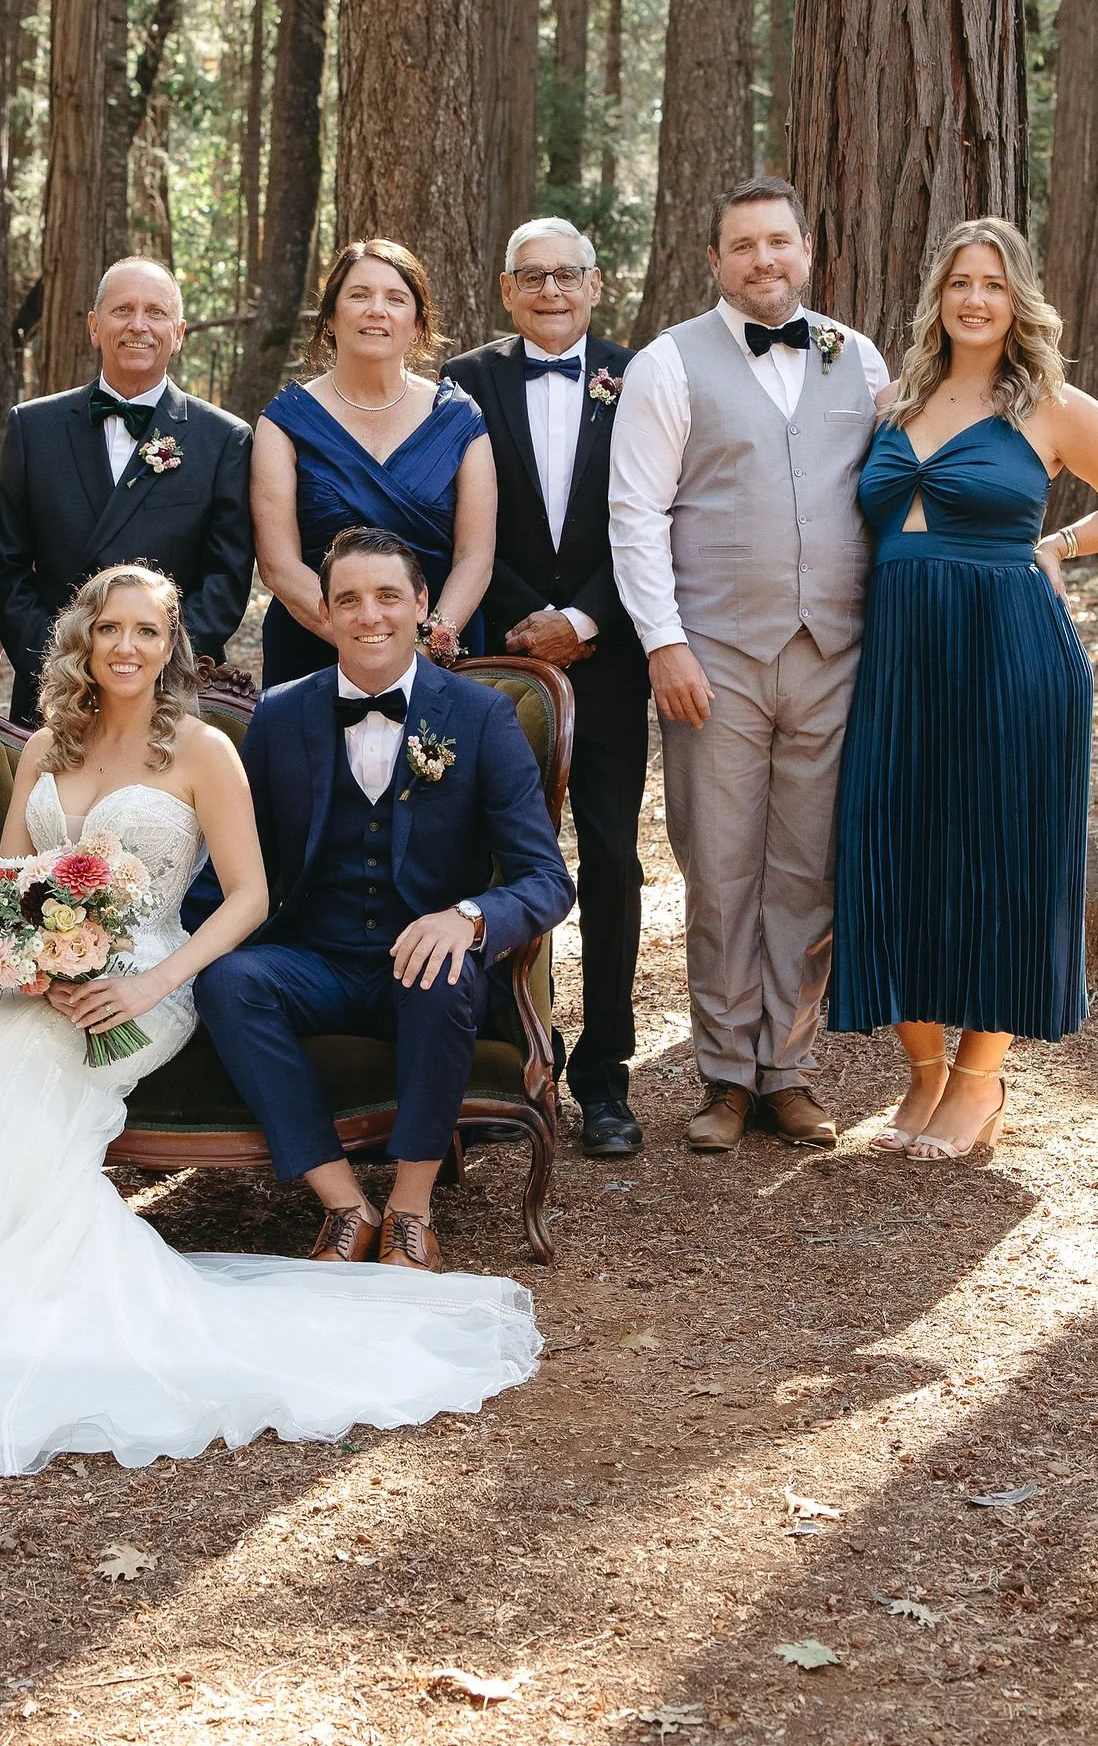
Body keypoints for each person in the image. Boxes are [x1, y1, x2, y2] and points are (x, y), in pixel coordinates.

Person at [0, 566, 539, 1477]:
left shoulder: (207, 749)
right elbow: (8, 882)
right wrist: (27, 960)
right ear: (85, 639)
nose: (127, 646)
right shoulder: (48, 743)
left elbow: (246, 893)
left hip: (146, 980)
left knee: (12, 1068)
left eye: (147, 631)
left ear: (172, 648)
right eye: (111, 629)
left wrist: (140, 982)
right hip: (44, 978)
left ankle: (33, 1280)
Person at [831, 220, 1098, 1159]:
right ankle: (923, 1072)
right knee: (891, 845)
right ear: (937, 299)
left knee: (1003, 855)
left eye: (992, 283)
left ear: (1017, 299)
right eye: (958, 283)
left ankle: (980, 1080)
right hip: (901, 660)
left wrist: (1055, 545)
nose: (974, 299)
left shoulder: (1054, 407)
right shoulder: (899, 402)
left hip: (1010, 654)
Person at [193, 527, 575, 1270]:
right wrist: (156, 951)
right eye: (350, 600)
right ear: (325, 615)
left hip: (425, 967)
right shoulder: (279, 716)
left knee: (440, 972)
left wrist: (468, 919)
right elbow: (237, 864)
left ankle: (409, 1210)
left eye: (388, 597)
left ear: (423, 604)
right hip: (315, 962)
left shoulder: (480, 716)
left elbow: (547, 878)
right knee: (229, 982)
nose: (370, 616)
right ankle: (344, 1205)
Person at [608, 176, 889, 1155]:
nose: (762, 260)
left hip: (832, 652)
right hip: (714, 656)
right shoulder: (665, 366)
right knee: (720, 867)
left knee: (805, 871)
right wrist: (664, 642)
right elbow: (635, 514)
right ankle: (723, 1072)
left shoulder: (856, 357)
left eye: (778, 241)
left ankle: (787, 1067)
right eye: (742, 245)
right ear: (714, 261)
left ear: (805, 250)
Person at [446, 217, 650, 1161]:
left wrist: (587, 620)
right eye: (533, 276)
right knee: (491, 859)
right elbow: (459, 522)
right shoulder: (465, 383)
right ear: (505, 289)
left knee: (611, 862)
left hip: (609, 660)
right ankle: (504, 1056)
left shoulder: (640, 376)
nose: (552, 291)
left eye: (568, 274)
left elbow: (660, 516)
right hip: (496, 656)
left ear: (597, 284)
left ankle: (604, 1075)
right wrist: (529, 621)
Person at [0, 258, 254, 726]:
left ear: (179, 332)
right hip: (56, 691)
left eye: (155, 312)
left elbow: (225, 583)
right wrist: (59, 662)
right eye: (122, 310)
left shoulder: (224, 440)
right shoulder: (33, 427)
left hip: (165, 696)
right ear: (94, 327)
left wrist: (154, 665)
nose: (138, 325)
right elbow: (7, 569)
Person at [251, 240, 496, 688]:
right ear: (329, 317)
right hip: (314, 649)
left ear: (418, 323)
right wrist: (362, 643)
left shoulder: (461, 418)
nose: (376, 310)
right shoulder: (283, 422)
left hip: (438, 654)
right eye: (359, 295)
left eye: (396, 298)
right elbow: (277, 564)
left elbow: (475, 557)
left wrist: (426, 645)